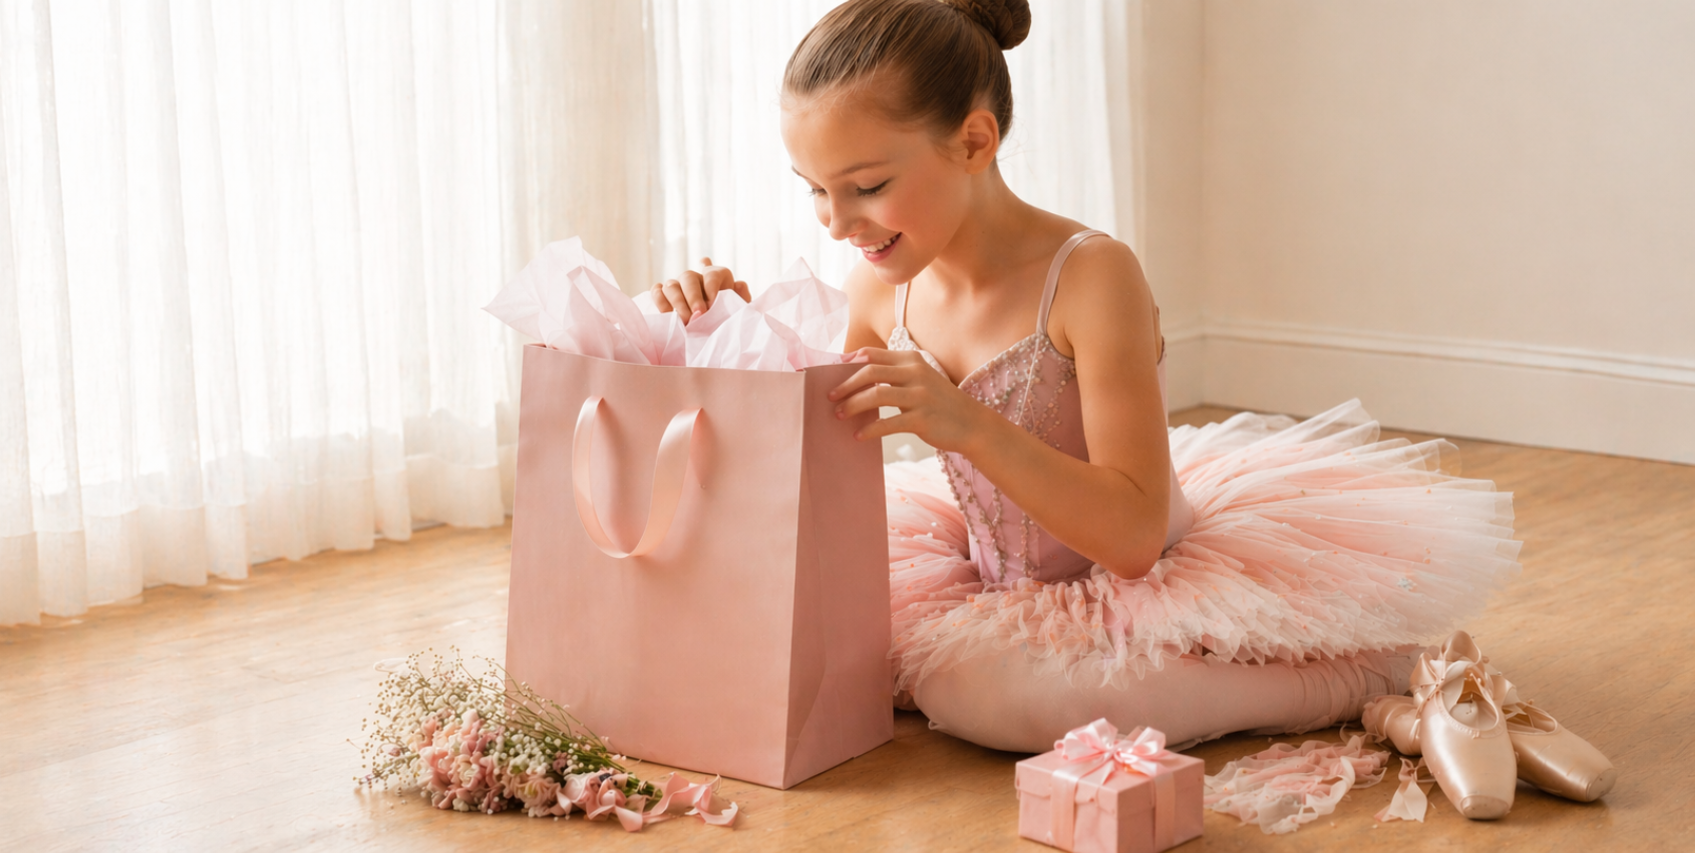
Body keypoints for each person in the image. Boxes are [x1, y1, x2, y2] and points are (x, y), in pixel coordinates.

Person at [648, 0, 1520, 753]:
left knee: (990, 697)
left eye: (866, 185)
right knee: (846, 648)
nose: (837, 222)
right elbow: (804, 470)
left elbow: (1136, 536)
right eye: (813, 190)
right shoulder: (879, 288)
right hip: (997, 578)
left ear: (975, 140)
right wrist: (725, 332)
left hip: (1144, 566)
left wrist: (966, 425)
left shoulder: (1090, 274)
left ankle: (1358, 676)